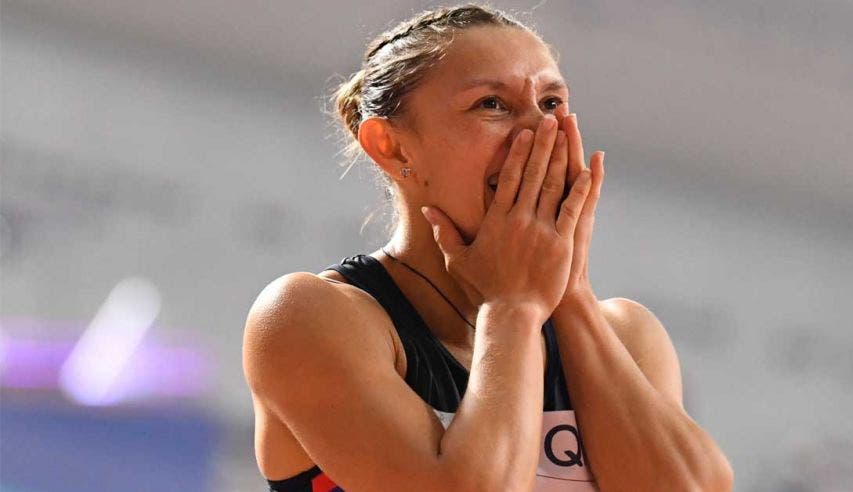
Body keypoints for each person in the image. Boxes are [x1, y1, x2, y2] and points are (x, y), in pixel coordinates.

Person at [242, 4, 734, 491]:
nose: (538, 132)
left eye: (551, 104)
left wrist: (571, 296)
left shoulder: (627, 334)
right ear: (392, 146)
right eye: (491, 105)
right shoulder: (311, 316)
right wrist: (512, 305)